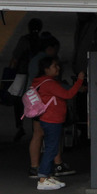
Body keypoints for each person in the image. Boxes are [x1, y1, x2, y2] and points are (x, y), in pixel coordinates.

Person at [31, 57, 84, 191]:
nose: (58, 68)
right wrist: (79, 80)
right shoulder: (49, 83)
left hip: (48, 118)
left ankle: (47, 176)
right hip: (52, 119)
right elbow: (68, 94)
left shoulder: (40, 81)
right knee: (51, 148)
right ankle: (43, 178)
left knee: (51, 147)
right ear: (46, 69)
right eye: (54, 66)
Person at [25, 36, 72, 178]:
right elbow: (53, 86)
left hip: (35, 104)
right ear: (50, 48)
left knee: (38, 134)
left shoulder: (33, 60)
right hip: (45, 105)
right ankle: (56, 165)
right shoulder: (46, 62)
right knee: (52, 138)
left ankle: (34, 166)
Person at [8, 18, 45, 142]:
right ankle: (36, 128)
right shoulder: (41, 41)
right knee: (36, 101)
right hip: (37, 76)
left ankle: (20, 126)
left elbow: (15, 57)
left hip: (22, 74)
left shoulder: (24, 40)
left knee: (18, 101)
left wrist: (10, 70)